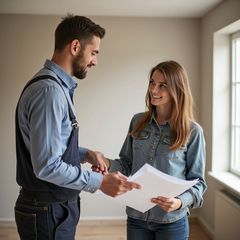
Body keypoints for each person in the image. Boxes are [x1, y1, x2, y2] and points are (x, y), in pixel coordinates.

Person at [14, 14, 140, 240]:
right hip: (47, 211)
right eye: (94, 53)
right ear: (75, 46)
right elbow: (47, 166)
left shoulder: (55, 88)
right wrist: (101, 182)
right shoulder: (49, 92)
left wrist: (86, 154)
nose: (95, 61)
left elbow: (49, 147)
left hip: (52, 209)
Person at [95, 60, 207, 240]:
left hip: (171, 221)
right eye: (152, 83)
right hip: (136, 217)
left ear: (177, 89)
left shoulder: (193, 131)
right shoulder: (137, 121)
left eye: (162, 85)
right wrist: (105, 162)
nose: (154, 90)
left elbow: (199, 183)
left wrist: (178, 203)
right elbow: (126, 164)